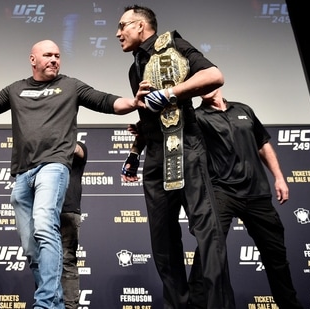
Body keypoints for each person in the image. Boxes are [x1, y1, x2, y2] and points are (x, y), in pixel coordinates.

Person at [0, 39, 141, 308]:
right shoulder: (17, 89)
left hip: (53, 166)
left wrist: (134, 102)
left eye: (58, 55)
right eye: (47, 55)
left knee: (45, 225)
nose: (54, 59)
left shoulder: (71, 86)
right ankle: (55, 302)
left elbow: (106, 101)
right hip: (23, 175)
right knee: (29, 245)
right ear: (33, 60)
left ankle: (46, 301)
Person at [116, 5, 234, 308]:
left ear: (141, 26)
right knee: (162, 242)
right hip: (155, 154)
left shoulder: (175, 45)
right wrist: (134, 150)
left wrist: (171, 93)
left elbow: (214, 75)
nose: (117, 33)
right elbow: (150, 115)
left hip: (187, 148)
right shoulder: (135, 68)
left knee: (207, 233)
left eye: (123, 26)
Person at [187, 87, 304, 308]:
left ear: (218, 84)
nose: (203, 89)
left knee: (276, 255)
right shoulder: (197, 116)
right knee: (208, 250)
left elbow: (263, 144)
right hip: (222, 191)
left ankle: (289, 305)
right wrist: (144, 130)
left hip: (257, 192)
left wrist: (279, 177)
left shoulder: (244, 110)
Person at [61, 141, 87, 309]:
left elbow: (78, 150)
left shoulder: (77, 145)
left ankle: (70, 306)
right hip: (43, 211)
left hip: (67, 211)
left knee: (67, 260)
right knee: (43, 262)